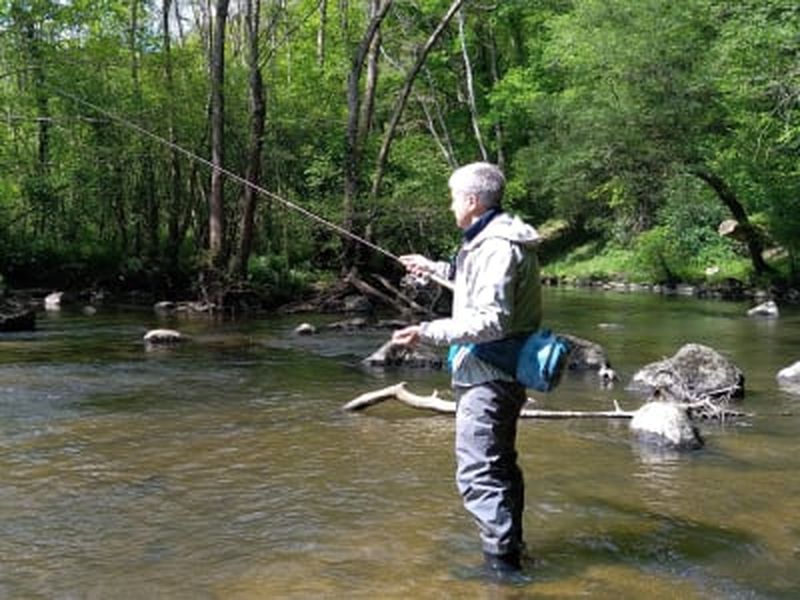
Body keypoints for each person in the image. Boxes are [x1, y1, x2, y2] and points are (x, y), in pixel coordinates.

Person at [392, 161, 542, 575]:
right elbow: (477, 286)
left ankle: (502, 571)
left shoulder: (495, 246)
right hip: (502, 372)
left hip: (489, 376)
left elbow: (492, 320)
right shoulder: (494, 240)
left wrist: (427, 331)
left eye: (453, 198)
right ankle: (512, 553)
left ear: (472, 201)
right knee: (500, 466)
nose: (450, 205)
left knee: (479, 472)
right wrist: (434, 268)